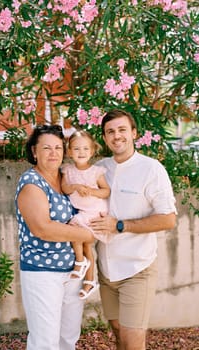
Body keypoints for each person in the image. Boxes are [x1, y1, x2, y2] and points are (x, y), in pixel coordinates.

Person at [90, 110, 177, 350]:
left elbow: (168, 219)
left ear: (134, 133)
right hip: (106, 271)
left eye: (122, 130)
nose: (116, 136)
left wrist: (120, 225)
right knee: (118, 334)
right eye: (110, 132)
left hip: (137, 269)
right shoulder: (99, 169)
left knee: (132, 342)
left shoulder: (152, 169)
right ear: (105, 138)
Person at [14, 124, 94, 350]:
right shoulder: (31, 183)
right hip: (42, 272)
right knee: (45, 343)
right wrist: (86, 234)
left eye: (58, 148)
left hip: (73, 270)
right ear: (34, 152)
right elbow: (43, 228)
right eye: (46, 148)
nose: (53, 153)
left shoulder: (66, 177)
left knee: (68, 338)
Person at [61, 130, 111, 300]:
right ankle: (90, 281)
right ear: (69, 151)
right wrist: (75, 186)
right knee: (85, 245)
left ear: (92, 151)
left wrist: (91, 191)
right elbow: (65, 189)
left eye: (85, 149)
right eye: (76, 149)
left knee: (73, 231)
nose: (81, 153)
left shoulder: (96, 171)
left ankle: (80, 262)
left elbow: (106, 192)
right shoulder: (67, 170)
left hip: (95, 212)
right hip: (82, 211)